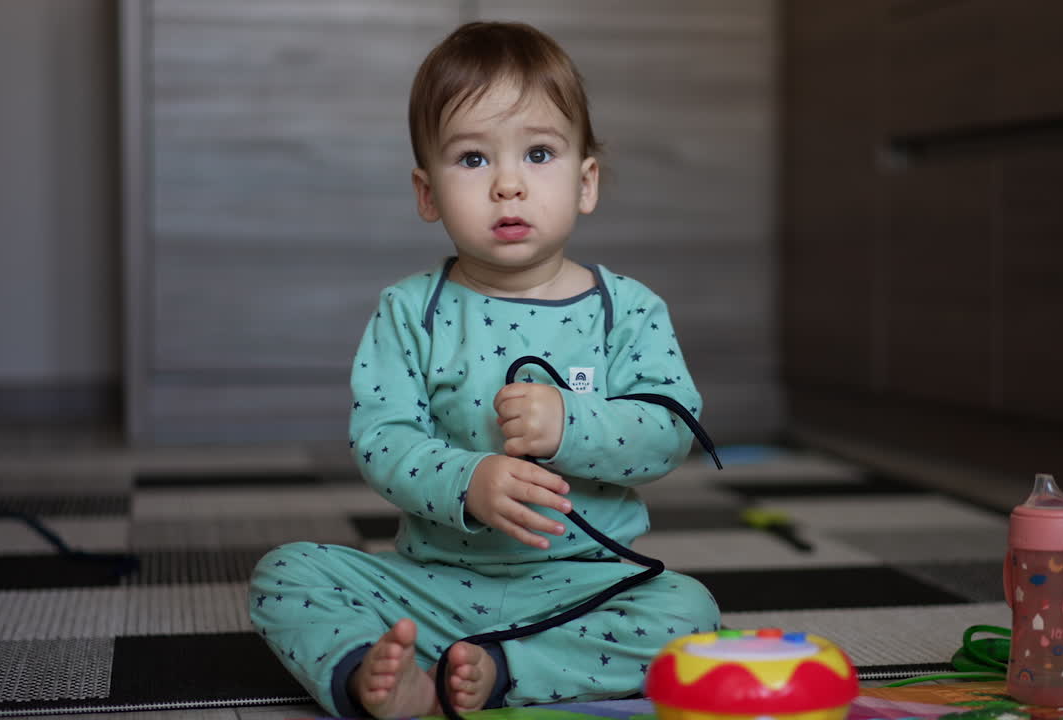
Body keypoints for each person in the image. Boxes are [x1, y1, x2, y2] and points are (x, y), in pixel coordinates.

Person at [249, 20, 720, 719]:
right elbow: (382, 438)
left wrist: (571, 423)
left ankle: (501, 671)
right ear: (427, 193)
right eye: (472, 160)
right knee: (283, 574)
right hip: (431, 584)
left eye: (537, 153)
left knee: (691, 613)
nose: (507, 185)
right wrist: (468, 480)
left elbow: (669, 430)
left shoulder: (629, 309)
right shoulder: (412, 310)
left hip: (584, 590)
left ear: (585, 181)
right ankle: (370, 676)